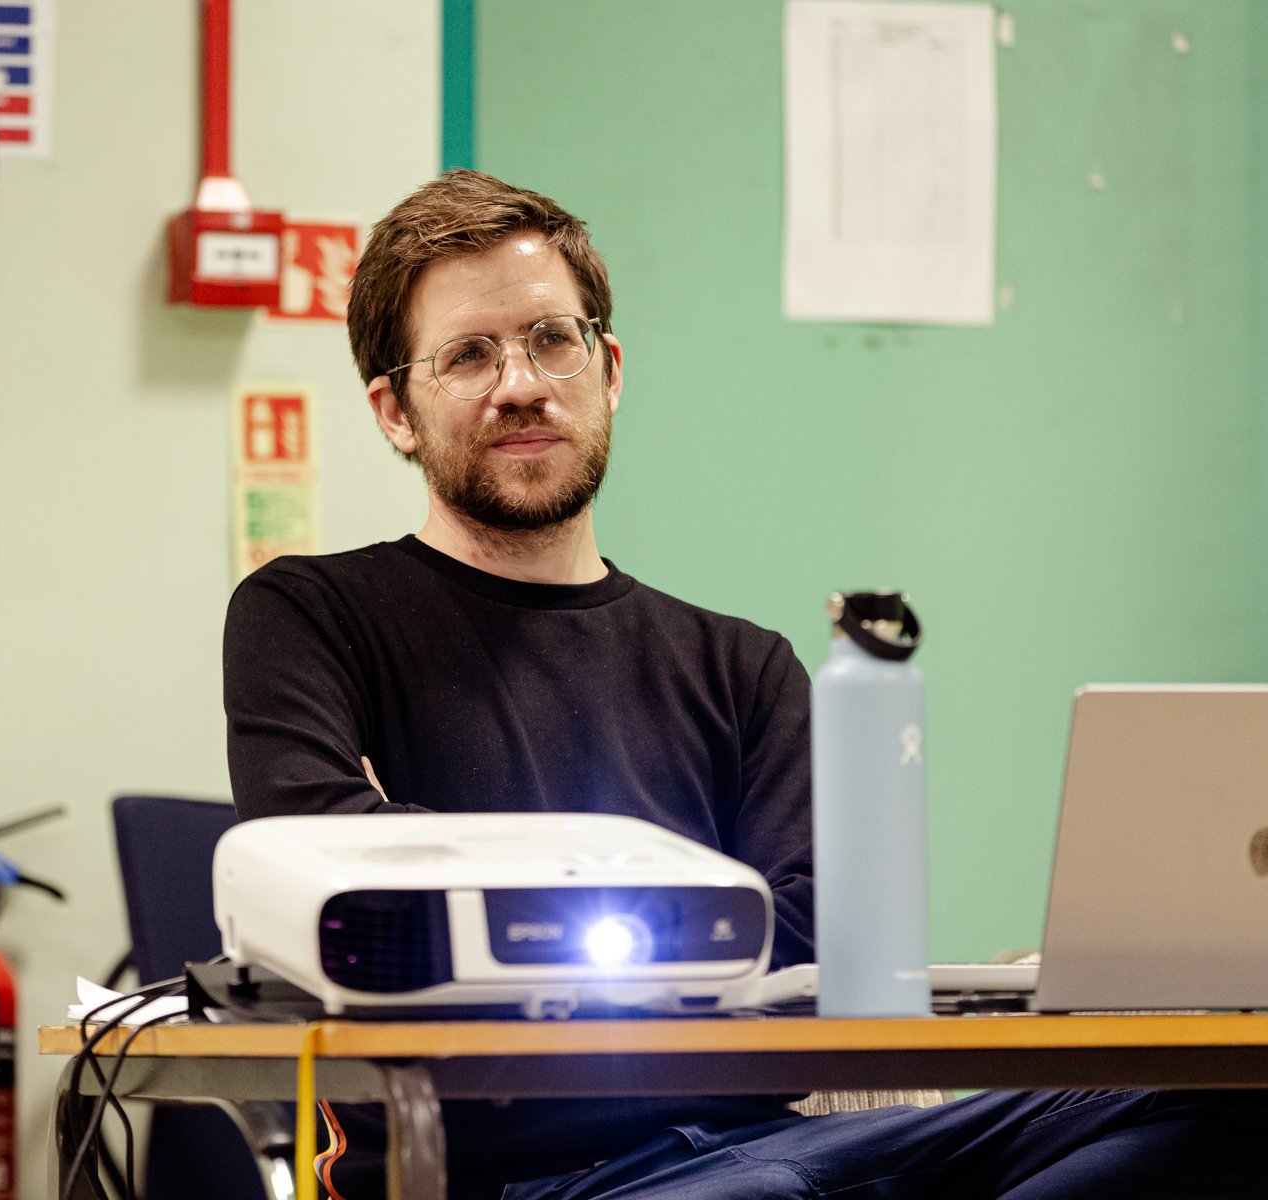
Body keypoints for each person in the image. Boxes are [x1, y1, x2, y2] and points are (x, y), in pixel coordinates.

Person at [222, 170, 1263, 1200]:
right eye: (468, 355)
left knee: (1224, 1101)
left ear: (609, 369)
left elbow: (823, 935)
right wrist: (707, 935)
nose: (523, 383)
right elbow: (350, 900)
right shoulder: (312, 617)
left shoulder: (740, 664)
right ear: (395, 410)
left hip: (767, 1147)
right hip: (523, 1180)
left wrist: (481, 899)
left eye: (552, 338)